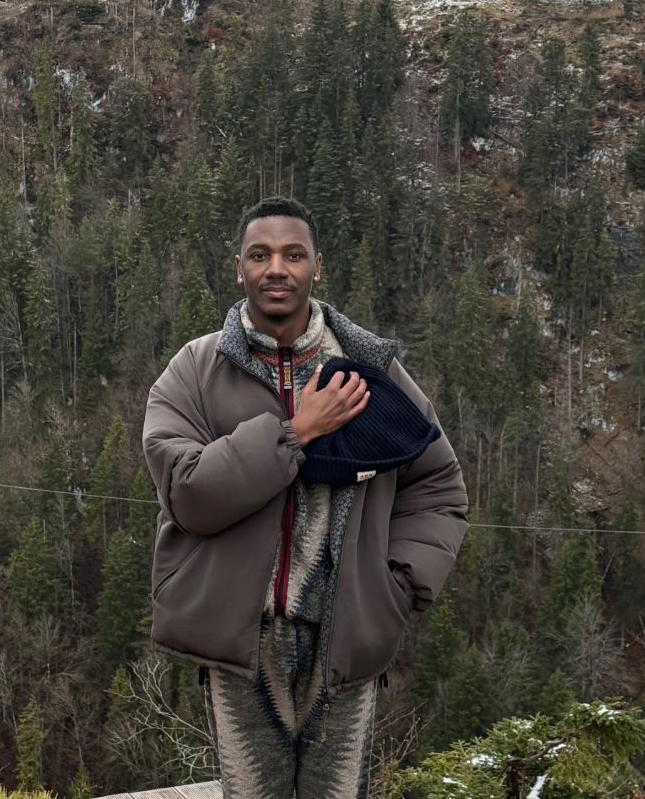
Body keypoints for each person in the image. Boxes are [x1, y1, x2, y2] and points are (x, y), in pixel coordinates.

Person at [142, 196, 469, 798]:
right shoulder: (194, 370)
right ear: (237, 266)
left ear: (318, 266)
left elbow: (440, 489)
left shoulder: (370, 372)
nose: (276, 268)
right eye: (259, 254)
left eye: (294, 255)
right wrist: (298, 432)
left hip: (342, 647)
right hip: (244, 650)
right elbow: (188, 495)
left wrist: (393, 588)